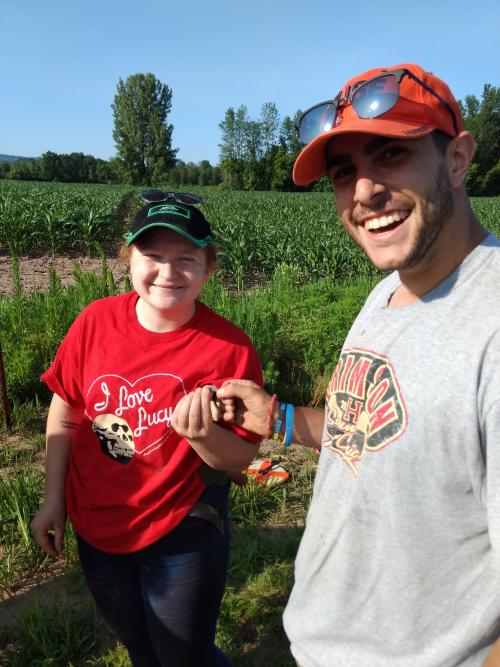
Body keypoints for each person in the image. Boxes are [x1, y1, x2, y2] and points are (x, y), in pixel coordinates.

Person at [217, 63, 500, 666]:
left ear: (456, 159)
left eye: (390, 156)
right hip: (324, 641)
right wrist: (283, 419)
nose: (363, 192)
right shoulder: (392, 287)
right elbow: (380, 433)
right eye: (344, 173)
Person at [31, 197, 263, 667]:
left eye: (186, 259)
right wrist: (52, 499)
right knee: (138, 644)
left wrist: (200, 436)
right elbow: (66, 412)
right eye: (153, 256)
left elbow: (239, 460)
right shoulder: (94, 322)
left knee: (183, 655)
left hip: (182, 525)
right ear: (128, 258)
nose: (167, 271)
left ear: (208, 266)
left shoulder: (230, 348)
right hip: (96, 525)